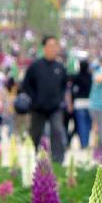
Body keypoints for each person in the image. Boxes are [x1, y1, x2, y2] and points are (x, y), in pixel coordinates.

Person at [22, 35, 67, 163]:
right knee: (34, 134)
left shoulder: (60, 67)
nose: (53, 49)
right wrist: (34, 100)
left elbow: (64, 86)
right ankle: (30, 159)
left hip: (55, 108)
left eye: (55, 46)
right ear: (44, 48)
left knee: (57, 131)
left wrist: (60, 100)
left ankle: (58, 161)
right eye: (50, 46)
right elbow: (26, 85)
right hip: (38, 108)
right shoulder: (35, 66)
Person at [72, 60, 92, 149]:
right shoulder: (90, 77)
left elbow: (73, 90)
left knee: (81, 125)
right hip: (89, 102)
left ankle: (83, 144)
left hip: (79, 103)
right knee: (88, 124)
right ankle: (86, 142)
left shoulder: (76, 77)